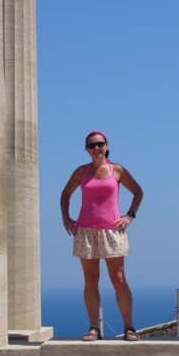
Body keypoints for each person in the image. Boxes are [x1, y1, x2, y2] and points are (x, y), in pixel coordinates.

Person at [60, 130, 144, 341]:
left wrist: (130, 216)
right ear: (87, 150)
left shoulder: (117, 170)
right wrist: (66, 219)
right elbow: (65, 194)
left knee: (118, 279)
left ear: (107, 146)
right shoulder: (81, 172)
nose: (96, 148)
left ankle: (129, 327)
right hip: (86, 231)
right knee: (90, 280)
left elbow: (138, 192)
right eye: (92, 145)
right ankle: (93, 328)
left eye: (100, 144)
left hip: (112, 231)